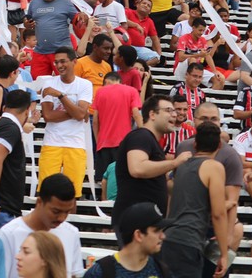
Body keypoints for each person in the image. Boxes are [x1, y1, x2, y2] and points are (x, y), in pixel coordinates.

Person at [111, 95, 190, 231]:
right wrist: (175, 163)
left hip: (147, 223)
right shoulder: (141, 136)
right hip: (136, 223)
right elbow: (137, 168)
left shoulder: (152, 141)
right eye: (168, 110)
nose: (174, 115)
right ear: (152, 114)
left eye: (174, 112)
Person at [162, 123, 230, 278]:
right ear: (219, 145)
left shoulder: (183, 166)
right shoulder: (214, 167)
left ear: (195, 144)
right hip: (188, 241)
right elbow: (218, 214)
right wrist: (224, 254)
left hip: (169, 238)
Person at [0, 173, 84, 278]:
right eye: (56, 211)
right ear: (39, 202)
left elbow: (74, 274)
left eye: (67, 212)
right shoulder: (8, 235)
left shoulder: (71, 233)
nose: (61, 218)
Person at [38, 48, 92, 197]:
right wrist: (77, 112)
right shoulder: (48, 83)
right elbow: (48, 116)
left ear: (74, 61)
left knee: (72, 195)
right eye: (56, 62)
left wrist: (61, 96)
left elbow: (80, 114)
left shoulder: (85, 84)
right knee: (45, 193)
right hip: (52, 142)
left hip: (76, 144)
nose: (59, 65)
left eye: (63, 61)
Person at [0, 89, 31, 233]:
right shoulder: (10, 127)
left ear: (4, 108)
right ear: (27, 112)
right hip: (0, 210)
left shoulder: (5, 125)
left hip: (3, 208)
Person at [83, 202, 168, 278]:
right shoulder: (100, 273)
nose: (163, 236)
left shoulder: (161, 270)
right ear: (138, 235)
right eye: (156, 231)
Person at [92, 73, 142, 181]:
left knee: (103, 182)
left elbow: (95, 121)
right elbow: (136, 114)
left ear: (107, 82)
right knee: (122, 180)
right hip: (123, 144)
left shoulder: (100, 92)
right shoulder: (131, 91)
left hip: (103, 145)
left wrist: (98, 141)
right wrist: (144, 133)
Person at [27, 0, 78, 77]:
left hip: (62, 51)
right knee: (38, 84)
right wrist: (27, 24)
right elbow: (28, 21)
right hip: (40, 51)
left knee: (66, 81)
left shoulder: (66, 3)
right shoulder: (34, 3)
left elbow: (77, 21)